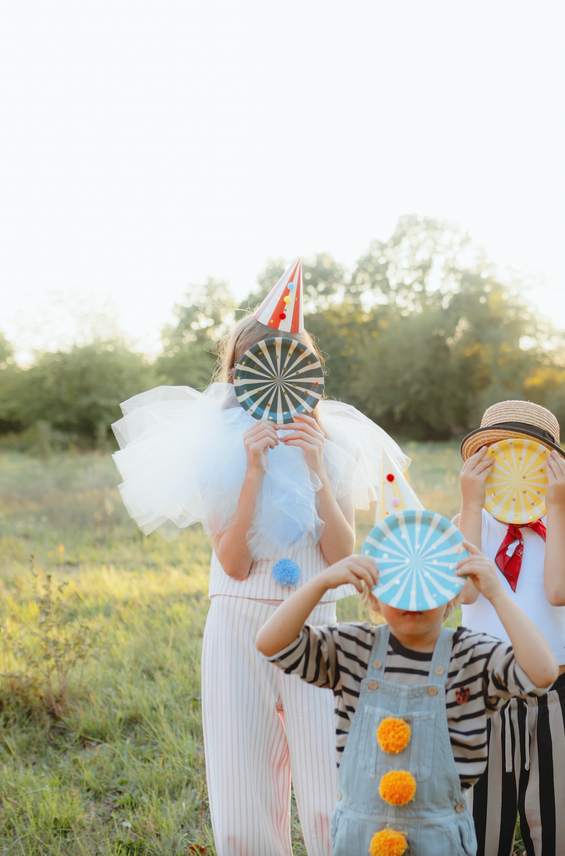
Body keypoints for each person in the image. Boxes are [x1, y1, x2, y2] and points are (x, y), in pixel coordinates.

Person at [111, 260, 404, 856]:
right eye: (259, 365)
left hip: (316, 625)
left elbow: (340, 555)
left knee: (329, 788)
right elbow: (235, 563)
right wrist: (253, 472)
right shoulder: (217, 446)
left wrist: (316, 465)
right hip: (239, 621)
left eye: (290, 362)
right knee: (243, 794)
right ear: (240, 373)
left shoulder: (333, 443)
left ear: (305, 371)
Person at [255, 541, 559, 856]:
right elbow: (270, 643)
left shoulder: (470, 656)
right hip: (359, 839)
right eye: (399, 586)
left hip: (439, 840)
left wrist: (496, 594)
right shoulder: (351, 649)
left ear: (450, 593)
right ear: (374, 594)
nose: (413, 599)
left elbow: (543, 673)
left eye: (427, 586)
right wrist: (321, 582)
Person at [455, 401, 565, 856]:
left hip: (552, 701)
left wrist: (557, 506)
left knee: (555, 829)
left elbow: (560, 591)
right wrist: (471, 504)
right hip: (481, 698)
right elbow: (465, 593)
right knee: (481, 831)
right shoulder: (466, 525)